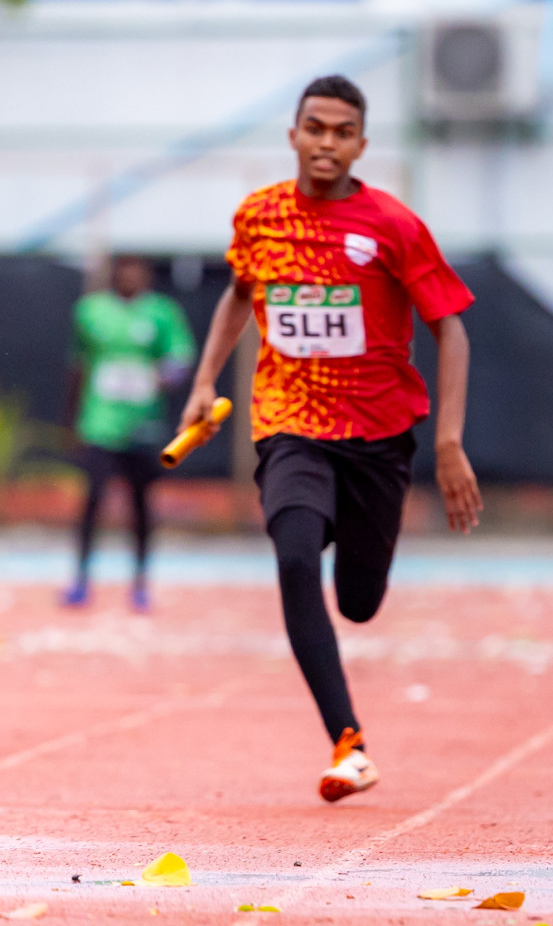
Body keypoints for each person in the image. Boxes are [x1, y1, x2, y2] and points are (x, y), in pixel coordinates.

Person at [178, 74, 483, 802]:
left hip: (379, 436)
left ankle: (347, 530)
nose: (327, 142)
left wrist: (447, 443)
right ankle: (348, 740)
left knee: (358, 603)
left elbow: (452, 329)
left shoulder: (393, 226)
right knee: (291, 557)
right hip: (291, 426)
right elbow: (238, 294)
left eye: (342, 131)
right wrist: (202, 381)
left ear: (360, 145)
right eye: (315, 127)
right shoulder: (259, 216)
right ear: (293, 135)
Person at [62, 254, 195, 612]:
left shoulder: (162, 313)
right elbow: (79, 366)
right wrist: (72, 421)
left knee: (141, 505)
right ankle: (81, 578)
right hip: (99, 424)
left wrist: (165, 376)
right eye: (123, 270)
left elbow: (180, 359)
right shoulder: (90, 311)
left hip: (143, 426)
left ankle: (140, 582)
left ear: (147, 275)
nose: (129, 276)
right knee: (91, 502)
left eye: (136, 271)